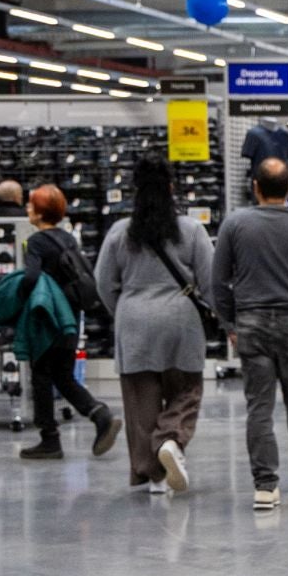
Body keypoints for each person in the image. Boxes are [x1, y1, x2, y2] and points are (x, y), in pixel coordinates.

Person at [213, 157, 288, 512]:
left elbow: (218, 282)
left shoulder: (235, 225)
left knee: (259, 407)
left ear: (255, 187)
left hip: (250, 324)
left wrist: (231, 324)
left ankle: (265, 486)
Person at [94, 157, 214, 494]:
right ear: (172, 189)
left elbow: (103, 283)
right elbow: (210, 281)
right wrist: (227, 319)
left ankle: (152, 476)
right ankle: (171, 441)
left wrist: (124, 310)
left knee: (140, 400)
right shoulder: (191, 230)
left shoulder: (119, 233)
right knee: (186, 389)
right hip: (180, 319)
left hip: (133, 319)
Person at [14, 184, 120, 460]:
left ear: (39, 213)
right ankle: (100, 415)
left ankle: (50, 440)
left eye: (31, 205)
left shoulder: (37, 241)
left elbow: (31, 278)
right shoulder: (68, 238)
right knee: (62, 375)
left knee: (41, 375)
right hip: (71, 319)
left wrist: (19, 296)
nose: (27, 209)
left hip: (48, 320)